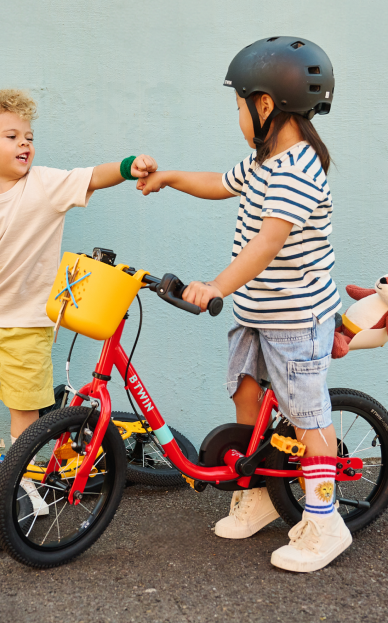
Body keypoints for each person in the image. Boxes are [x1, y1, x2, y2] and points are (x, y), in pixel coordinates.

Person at [137, 37, 348, 572]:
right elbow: (219, 182)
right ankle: (257, 496)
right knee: (247, 397)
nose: (237, 117)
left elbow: (267, 243)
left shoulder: (299, 170)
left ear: (265, 105)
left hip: (296, 319)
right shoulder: (266, 160)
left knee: (307, 417)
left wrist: (217, 285)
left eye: (238, 106)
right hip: (256, 314)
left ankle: (325, 521)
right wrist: (170, 178)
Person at [0, 88, 156, 513]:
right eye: (11, 136)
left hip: (29, 325)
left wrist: (128, 167)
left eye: (29, 136)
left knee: (25, 408)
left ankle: (24, 479)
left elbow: (91, 176)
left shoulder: (44, 185)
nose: (25, 143)